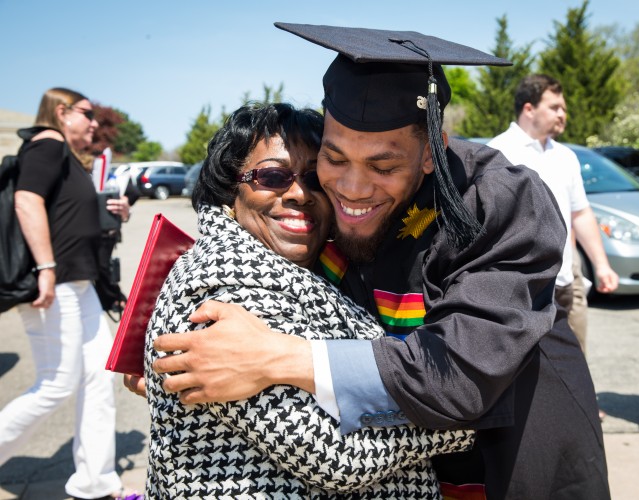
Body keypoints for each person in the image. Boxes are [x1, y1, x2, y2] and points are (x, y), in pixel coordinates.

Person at [151, 24, 610, 498]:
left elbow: (459, 376)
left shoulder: (499, 201)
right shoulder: (322, 198)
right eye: (333, 158)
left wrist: (280, 358)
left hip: (512, 455)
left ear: (432, 153)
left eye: (383, 166)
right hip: (405, 469)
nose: (351, 187)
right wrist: (165, 355)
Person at [145, 102, 473, 498]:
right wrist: (462, 412)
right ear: (230, 186)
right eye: (272, 176)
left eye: (315, 177)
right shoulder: (225, 287)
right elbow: (336, 452)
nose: (299, 193)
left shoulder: (295, 264)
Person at [0, 88, 124, 500]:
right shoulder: (48, 143)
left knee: (98, 377)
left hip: (80, 284)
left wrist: (113, 213)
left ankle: (95, 482)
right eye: (86, 114)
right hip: (56, 284)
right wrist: (46, 268)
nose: (94, 123)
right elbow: (26, 200)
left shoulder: (72, 160)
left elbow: (71, 217)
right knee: (57, 383)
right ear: (61, 112)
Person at [487, 74, 619, 347]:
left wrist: (602, 265)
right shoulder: (498, 152)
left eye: (564, 108)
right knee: (528, 372)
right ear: (529, 108)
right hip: (522, 285)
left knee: (575, 362)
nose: (563, 114)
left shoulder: (565, 156)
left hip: (568, 277)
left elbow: (580, 213)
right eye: (555, 107)